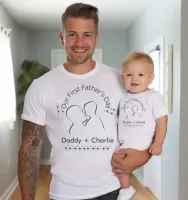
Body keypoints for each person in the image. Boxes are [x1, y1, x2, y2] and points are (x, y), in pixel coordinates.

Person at [18, 3, 151, 200]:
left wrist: (142, 156)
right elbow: (29, 147)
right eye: (72, 34)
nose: (79, 42)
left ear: (96, 38)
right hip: (64, 193)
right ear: (62, 37)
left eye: (87, 35)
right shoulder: (41, 86)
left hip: (111, 189)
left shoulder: (121, 80)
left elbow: (149, 123)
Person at [116, 52, 168, 200]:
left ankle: (126, 190)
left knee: (119, 161)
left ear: (150, 78)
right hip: (125, 139)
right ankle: (125, 187)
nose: (134, 79)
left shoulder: (153, 97)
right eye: (129, 75)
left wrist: (158, 143)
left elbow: (162, 121)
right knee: (117, 163)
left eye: (140, 74)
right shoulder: (124, 96)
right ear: (123, 77)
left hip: (141, 139)